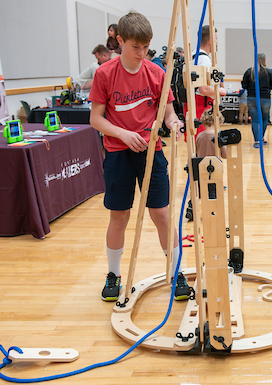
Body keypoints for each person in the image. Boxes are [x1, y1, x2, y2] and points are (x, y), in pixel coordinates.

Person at [89, 11, 190, 302]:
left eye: (146, 47)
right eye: (136, 47)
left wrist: (173, 122)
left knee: (161, 214)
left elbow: (168, 111)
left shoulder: (157, 73)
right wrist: (122, 133)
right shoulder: (104, 73)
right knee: (119, 215)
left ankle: (175, 271)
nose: (142, 53)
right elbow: (96, 118)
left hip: (151, 151)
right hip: (119, 152)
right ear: (119, 41)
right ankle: (113, 274)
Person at [185, 25, 227, 137]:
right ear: (210, 41)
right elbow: (203, 89)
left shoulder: (193, 55)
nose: (217, 42)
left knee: (196, 143)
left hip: (192, 104)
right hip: (201, 106)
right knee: (205, 141)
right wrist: (220, 90)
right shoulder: (204, 60)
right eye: (216, 39)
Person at [242, 53, 272, 148]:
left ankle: (257, 140)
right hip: (265, 98)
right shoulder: (268, 72)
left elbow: (244, 85)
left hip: (252, 98)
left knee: (255, 120)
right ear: (264, 60)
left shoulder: (249, 71)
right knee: (265, 119)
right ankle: (261, 138)